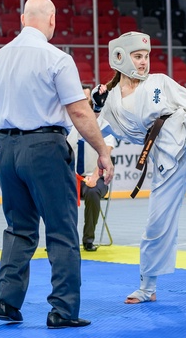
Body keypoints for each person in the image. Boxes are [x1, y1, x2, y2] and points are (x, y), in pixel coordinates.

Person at [0, 0, 114, 329]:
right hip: (44, 148)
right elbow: (79, 111)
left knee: (18, 228)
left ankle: (6, 302)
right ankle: (63, 310)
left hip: (6, 147)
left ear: (22, 19)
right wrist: (102, 150)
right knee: (61, 228)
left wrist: (3, 149)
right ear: (52, 19)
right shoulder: (56, 58)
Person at [91, 31, 186, 304]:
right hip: (165, 162)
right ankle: (147, 288)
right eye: (137, 56)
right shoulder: (110, 100)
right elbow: (98, 130)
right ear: (120, 57)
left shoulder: (159, 81)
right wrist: (97, 105)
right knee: (156, 224)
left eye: (146, 56)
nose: (144, 62)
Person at [67, 86, 118, 252]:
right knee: (56, 192)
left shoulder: (104, 126)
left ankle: (88, 239)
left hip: (96, 177)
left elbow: (106, 154)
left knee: (92, 191)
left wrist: (95, 177)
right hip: (71, 178)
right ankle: (62, 239)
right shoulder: (67, 124)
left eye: (87, 99)